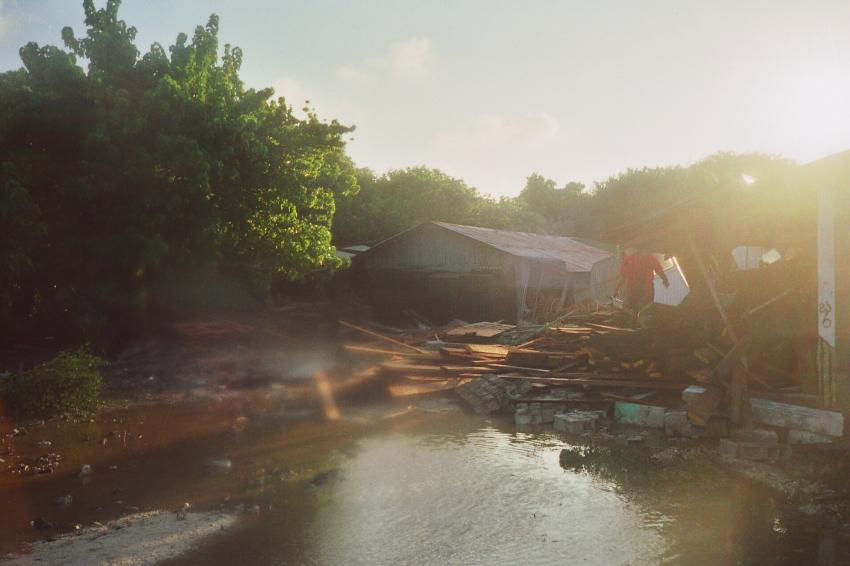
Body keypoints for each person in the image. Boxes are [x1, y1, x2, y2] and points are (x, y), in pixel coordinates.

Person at [614, 247, 670, 314]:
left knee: (635, 311)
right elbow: (659, 271)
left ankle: (636, 321)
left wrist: (616, 290)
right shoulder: (651, 258)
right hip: (646, 290)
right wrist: (665, 280)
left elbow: (622, 277)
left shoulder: (629, 260)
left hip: (634, 290)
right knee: (647, 311)